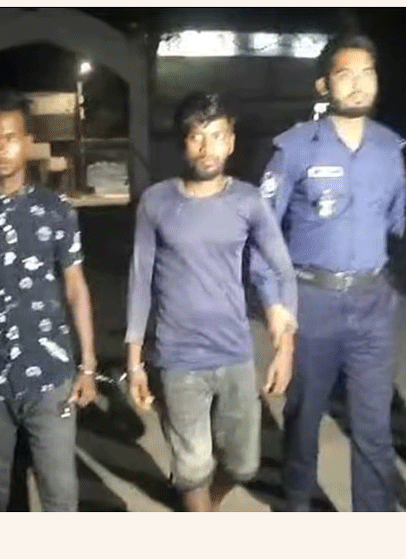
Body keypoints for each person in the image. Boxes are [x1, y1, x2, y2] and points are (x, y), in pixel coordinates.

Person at [249, 30, 406, 512]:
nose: (358, 84)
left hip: (373, 302)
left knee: (374, 427)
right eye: (345, 74)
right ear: (324, 85)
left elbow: (398, 224)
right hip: (312, 301)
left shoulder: (391, 149)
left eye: (367, 73)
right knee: (304, 418)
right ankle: (297, 504)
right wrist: (275, 308)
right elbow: (263, 233)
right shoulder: (295, 148)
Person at [125, 92, 297, 512]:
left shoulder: (248, 201)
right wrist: (134, 361)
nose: (207, 148)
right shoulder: (156, 202)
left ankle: (208, 504)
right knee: (192, 468)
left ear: (231, 142)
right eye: (197, 137)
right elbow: (140, 281)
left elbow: (283, 270)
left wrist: (285, 347)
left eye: (218, 136)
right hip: (178, 358)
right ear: (183, 143)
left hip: (234, 353)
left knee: (243, 465)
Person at [0, 89, 97, 512]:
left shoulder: (57, 211)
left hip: (51, 374)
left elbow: (76, 288)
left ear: (27, 142)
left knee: (60, 496)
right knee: (7, 494)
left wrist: (88, 365)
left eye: (9, 137)